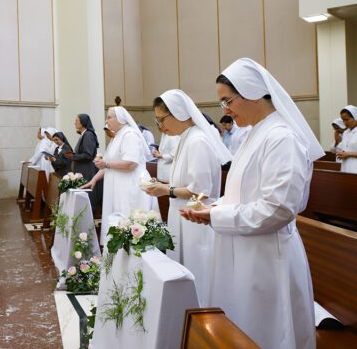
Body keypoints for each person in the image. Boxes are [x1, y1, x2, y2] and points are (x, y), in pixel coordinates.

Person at [183, 58, 321, 349]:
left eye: (227, 101)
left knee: (266, 331)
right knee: (239, 327)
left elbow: (278, 209)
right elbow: (240, 193)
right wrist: (213, 207)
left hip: (267, 258)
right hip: (242, 247)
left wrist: (216, 216)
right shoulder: (255, 133)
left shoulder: (282, 137)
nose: (225, 110)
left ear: (252, 92)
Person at [145, 90, 231, 305]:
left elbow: (200, 191)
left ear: (178, 113)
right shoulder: (186, 138)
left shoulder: (198, 141)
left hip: (196, 220)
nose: (160, 126)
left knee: (197, 273)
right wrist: (165, 187)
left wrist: (167, 190)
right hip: (183, 215)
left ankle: (198, 314)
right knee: (181, 271)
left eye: (161, 119)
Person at [82, 107, 159, 244]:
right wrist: (94, 179)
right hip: (119, 186)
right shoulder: (117, 136)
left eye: (109, 117)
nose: (106, 121)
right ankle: (118, 253)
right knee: (118, 222)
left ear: (121, 119)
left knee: (129, 223)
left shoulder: (130, 135)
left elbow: (131, 164)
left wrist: (106, 164)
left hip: (130, 186)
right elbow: (108, 164)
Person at [73, 114, 102, 211]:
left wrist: (73, 156)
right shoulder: (84, 134)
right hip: (83, 168)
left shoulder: (88, 135)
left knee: (87, 194)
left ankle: (87, 214)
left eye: (76, 120)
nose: (74, 122)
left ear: (83, 122)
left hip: (87, 169)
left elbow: (88, 155)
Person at [336, 105, 357, 172]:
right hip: (345, 167)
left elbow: (348, 152)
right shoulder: (345, 133)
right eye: (343, 120)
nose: (345, 123)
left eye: (347, 119)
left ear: (355, 117)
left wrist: (348, 154)